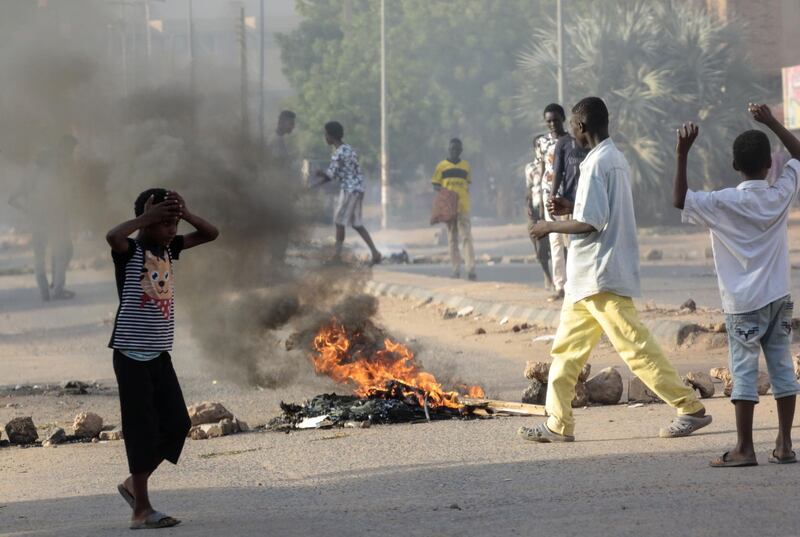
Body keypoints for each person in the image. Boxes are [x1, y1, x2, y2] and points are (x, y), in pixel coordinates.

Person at [519, 96, 711, 443]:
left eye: (572, 127)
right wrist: (569, 206)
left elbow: (591, 223)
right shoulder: (613, 159)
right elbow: (597, 210)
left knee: (637, 350)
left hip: (601, 275)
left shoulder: (597, 164)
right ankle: (557, 423)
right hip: (585, 281)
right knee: (565, 351)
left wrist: (547, 227)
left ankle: (690, 408)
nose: (570, 133)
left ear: (580, 127)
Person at [675, 104, 800, 467]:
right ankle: (785, 444)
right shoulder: (780, 194)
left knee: (744, 370)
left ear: (735, 166)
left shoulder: (722, 202)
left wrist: (683, 153)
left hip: (743, 303)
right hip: (779, 297)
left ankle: (745, 448)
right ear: (768, 166)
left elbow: (679, 199)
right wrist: (772, 121)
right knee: (780, 366)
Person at [106, 188, 218, 529]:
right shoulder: (131, 250)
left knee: (178, 425)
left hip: (158, 352)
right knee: (141, 430)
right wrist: (146, 218)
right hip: (130, 354)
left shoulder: (169, 249)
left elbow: (210, 233)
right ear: (148, 221)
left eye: (173, 223)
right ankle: (142, 508)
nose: (170, 229)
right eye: (164, 223)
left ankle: (132, 486)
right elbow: (113, 235)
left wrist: (184, 213)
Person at [7, 135, 77, 301]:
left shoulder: (29, 178)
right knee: (60, 255)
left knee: (39, 258)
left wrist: (28, 211)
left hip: (36, 222)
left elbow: (12, 200)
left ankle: (44, 293)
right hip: (54, 220)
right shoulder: (54, 178)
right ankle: (58, 290)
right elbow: (62, 200)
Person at [315, 121, 382, 265]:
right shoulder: (349, 149)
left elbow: (330, 176)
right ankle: (375, 253)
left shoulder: (338, 153)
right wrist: (321, 180)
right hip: (358, 190)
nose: (325, 137)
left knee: (339, 222)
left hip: (349, 191)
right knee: (357, 224)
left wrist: (320, 175)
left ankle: (337, 257)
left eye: (325, 134)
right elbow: (342, 174)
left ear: (331, 136)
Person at [532, 104, 569, 301]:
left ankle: (575, 284)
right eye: (549, 121)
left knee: (571, 242)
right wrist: (538, 199)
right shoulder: (542, 143)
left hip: (568, 197)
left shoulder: (571, 141)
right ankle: (560, 285)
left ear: (563, 118)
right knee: (555, 241)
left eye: (556, 120)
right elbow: (541, 169)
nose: (553, 124)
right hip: (549, 197)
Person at [432, 138, 476, 280]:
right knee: (452, 239)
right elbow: (435, 185)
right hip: (449, 208)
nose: (454, 151)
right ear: (449, 149)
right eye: (452, 149)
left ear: (461, 150)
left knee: (466, 237)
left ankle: (471, 269)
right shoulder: (441, 166)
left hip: (463, 206)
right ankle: (455, 270)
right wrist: (446, 194)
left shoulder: (466, 167)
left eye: (457, 149)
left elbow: (467, 184)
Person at [265, 110, 297, 270]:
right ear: (283, 122)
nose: (293, 127)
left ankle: (278, 261)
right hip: (276, 192)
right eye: (291, 123)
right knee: (280, 227)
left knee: (282, 228)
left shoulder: (280, 140)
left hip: (280, 191)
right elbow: (275, 167)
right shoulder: (275, 141)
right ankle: (276, 262)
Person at [525, 136, 554, 291]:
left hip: (550, 208)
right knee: (538, 246)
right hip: (535, 210)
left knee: (557, 245)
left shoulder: (553, 164)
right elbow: (529, 189)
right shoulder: (530, 167)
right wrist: (528, 205)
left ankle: (558, 279)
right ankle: (547, 275)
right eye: (537, 145)